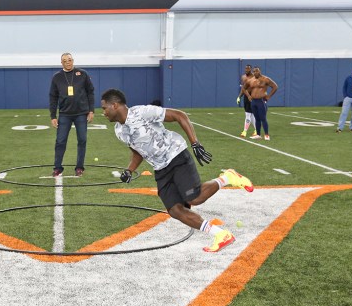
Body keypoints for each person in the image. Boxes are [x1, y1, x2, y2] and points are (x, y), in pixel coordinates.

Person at [100, 88, 253, 253]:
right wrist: (129, 170)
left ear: (115, 105)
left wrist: (195, 143)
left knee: (194, 198)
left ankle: (228, 178)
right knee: (175, 210)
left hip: (176, 155)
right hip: (160, 168)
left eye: (104, 108)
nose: (103, 112)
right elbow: (138, 151)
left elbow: (180, 115)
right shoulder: (119, 130)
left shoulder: (142, 112)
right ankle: (221, 234)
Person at [49, 52, 95, 177]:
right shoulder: (57, 77)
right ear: (61, 63)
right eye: (65, 61)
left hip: (81, 113)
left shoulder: (83, 74)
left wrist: (91, 111)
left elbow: (90, 92)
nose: (68, 62)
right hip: (64, 114)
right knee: (60, 141)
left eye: (69, 60)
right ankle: (58, 168)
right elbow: (53, 97)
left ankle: (79, 167)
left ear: (73, 60)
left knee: (82, 140)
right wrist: (53, 116)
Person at [242, 66, 278, 141]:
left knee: (263, 118)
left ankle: (266, 135)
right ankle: (258, 135)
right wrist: (248, 96)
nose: (255, 73)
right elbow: (243, 88)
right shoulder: (251, 80)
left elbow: (275, 86)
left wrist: (269, 96)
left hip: (261, 101)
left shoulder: (266, 79)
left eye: (257, 71)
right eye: (254, 71)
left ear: (260, 71)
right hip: (253, 101)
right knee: (257, 119)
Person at [236, 64, 258, 138]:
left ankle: (245, 131)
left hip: (252, 97)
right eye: (245, 69)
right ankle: (256, 130)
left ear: (251, 69)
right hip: (246, 98)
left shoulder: (254, 77)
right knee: (250, 115)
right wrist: (239, 97)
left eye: (248, 69)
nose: (246, 70)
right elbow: (243, 88)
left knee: (249, 115)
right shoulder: (243, 77)